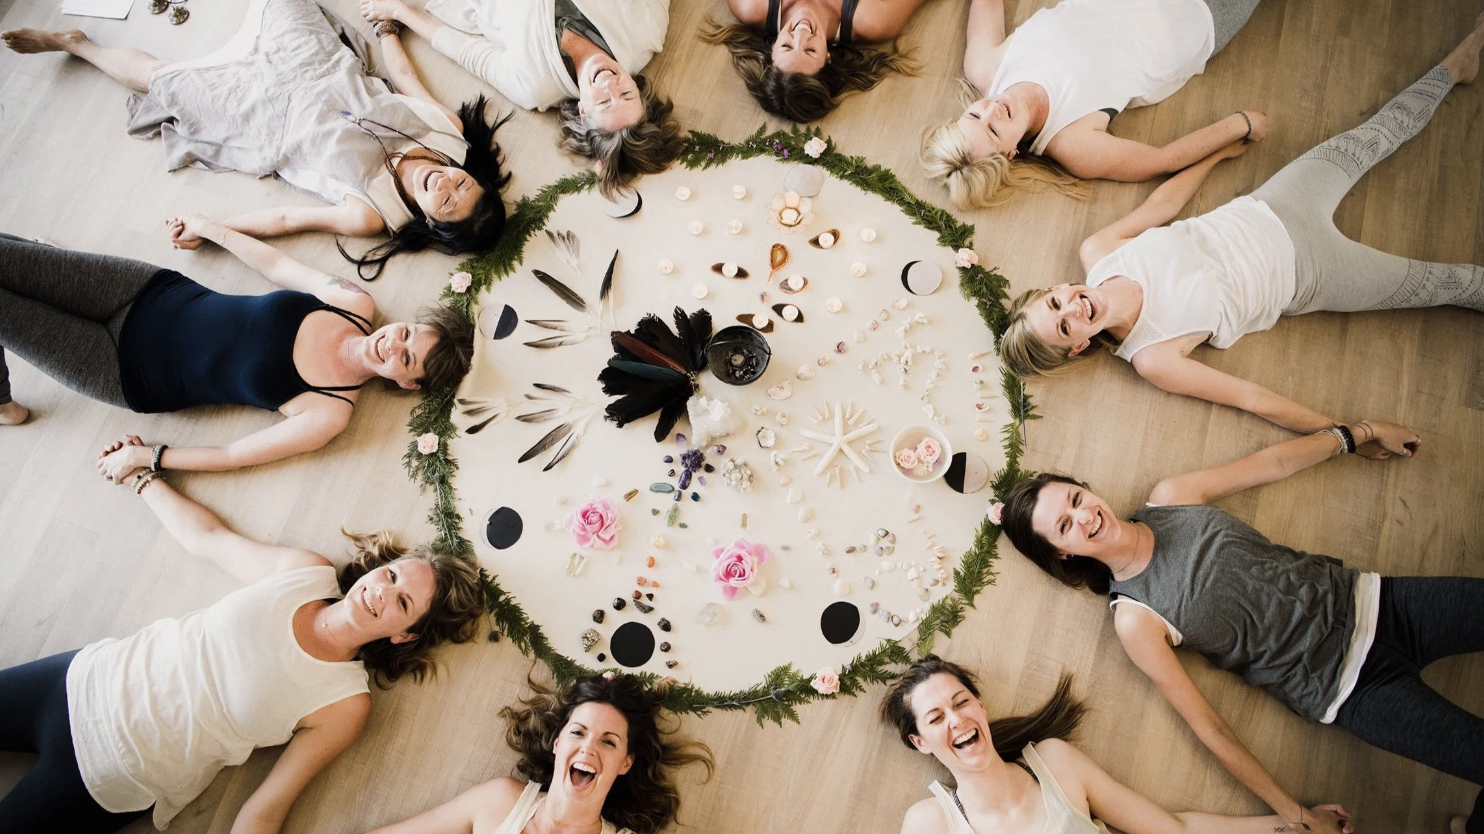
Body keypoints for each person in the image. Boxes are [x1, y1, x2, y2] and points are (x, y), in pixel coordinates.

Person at [999, 414, 1484, 833]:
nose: (1084, 517)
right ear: (1062, 553)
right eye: (1064, 526)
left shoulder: (1172, 498)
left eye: (1075, 499)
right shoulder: (1135, 619)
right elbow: (1210, 728)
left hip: (1383, 602)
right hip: (1352, 690)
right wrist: (1295, 816)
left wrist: (1361, 432)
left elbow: (1271, 464)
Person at [998, 19, 1484, 435]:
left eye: (1055, 301)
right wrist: (1351, 436)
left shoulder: (1100, 250)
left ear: (1056, 288)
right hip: (1311, 275)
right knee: (1447, 283)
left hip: (1273, 204)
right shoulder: (1152, 358)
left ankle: (1455, 69)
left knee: (1372, 136)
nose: (1073, 308)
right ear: (1079, 344)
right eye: (1065, 327)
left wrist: (1219, 152)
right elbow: (1251, 398)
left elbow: (1163, 204)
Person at [0, 443, 486, 833]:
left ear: (403, 636)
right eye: (394, 576)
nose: (383, 591)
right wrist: (142, 475)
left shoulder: (345, 705)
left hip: (115, 775)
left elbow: (267, 808)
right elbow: (208, 538)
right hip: (83, 680)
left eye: (403, 604)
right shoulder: (306, 573)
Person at [2, 0, 512, 279]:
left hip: (267, 116)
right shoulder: (449, 135)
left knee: (163, 82)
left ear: (427, 219)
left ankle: (76, 44)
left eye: (443, 198)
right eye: (460, 180)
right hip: (320, 68)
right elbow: (405, 81)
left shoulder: (372, 215)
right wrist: (388, 27)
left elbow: (289, 220)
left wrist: (212, 226)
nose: (443, 179)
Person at [0, 226, 474, 477]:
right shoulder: (354, 303)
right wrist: (212, 228)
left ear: (405, 382)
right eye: (408, 332)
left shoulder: (328, 411)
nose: (392, 342)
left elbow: (233, 455)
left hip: (122, 370)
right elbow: (278, 264)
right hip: (146, 290)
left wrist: (149, 459)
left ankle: (5, 403)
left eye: (405, 357)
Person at [882, 655, 1349, 834]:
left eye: (962, 702)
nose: (957, 720)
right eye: (937, 717)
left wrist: (1299, 825)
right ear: (920, 741)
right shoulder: (930, 824)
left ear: (981, 706)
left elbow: (1175, 830)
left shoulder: (1054, 763)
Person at [921, 0, 1267, 208]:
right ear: (1010, 153)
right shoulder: (1073, 144)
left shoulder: (985, 67)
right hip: (1200, 14)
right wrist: (1239, 125)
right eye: (995, 130)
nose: (993, 109)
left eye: (975, 114)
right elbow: (1162, 160)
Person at [356, 0, 682, 197]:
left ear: (583, 112)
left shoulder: (535, 86)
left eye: (604, 103)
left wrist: (397, 10)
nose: (610, 84)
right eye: (626, 92)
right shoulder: (645, 34)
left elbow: (467, 52)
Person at [361, 672, 713, 834]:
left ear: (625, 762)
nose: (588, 747)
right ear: (558, 743)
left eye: (608, 741)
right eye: (578, 732)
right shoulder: (500, 801)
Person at [700, 0, 927, 123]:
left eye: (787, 46)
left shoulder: (751, 5)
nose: (801, 32)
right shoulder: (873, 20)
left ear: (773, 49)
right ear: (827, 57)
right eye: (810, 50)